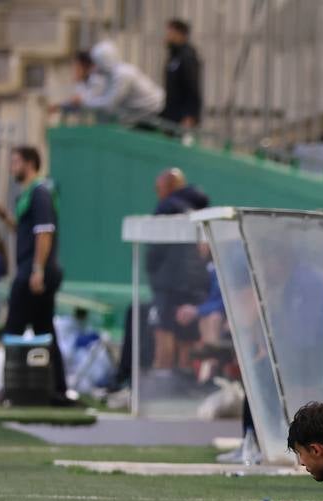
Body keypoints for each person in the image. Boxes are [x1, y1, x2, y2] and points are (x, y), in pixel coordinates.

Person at [0, 145, 68, 403]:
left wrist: (37, 269)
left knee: (14, 324)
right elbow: (25, 230)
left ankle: (8, 387)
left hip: (34, 272)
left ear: (30, 164)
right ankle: (56, 389)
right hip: (33, 269)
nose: (12, 167)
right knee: (43, 330)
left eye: (16, 162)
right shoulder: (27, 195)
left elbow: (44, 233)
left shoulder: (41, 193)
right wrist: (5, 218)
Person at [145, 168, 209, 388]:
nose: (157, 192)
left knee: (164, 332)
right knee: (187, 337)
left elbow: (155, 249)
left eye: (159, 187)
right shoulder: (199, 208)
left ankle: (162, 383)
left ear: (169, 186)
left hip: (168, 282)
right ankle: (185, 384)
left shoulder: (166, 207)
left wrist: (151, 269)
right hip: (196, 283)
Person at [78, 41, 166, 127]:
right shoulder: (112, 74)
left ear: (102, 60)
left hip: (153, 110)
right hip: (141, 112)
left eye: (96, 62)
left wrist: (84, 102)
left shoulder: (122, 75)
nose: (95, 66)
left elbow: (109, 104)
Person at [160, 19, 202, 129]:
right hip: (171, 114)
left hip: (182, 116)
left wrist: (190, 115)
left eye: (171, 33)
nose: (168, 36)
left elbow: (192, 86)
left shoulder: (187, 56)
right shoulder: (174, 56)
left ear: (181, 35)